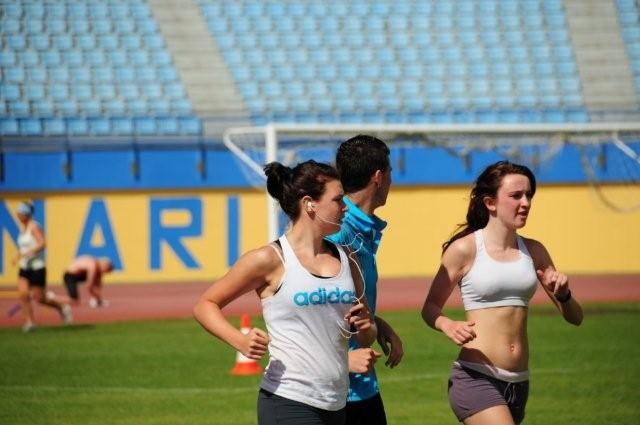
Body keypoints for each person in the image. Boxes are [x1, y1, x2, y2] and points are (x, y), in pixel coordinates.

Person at [194, 160, 377, 425]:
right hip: (287, 400)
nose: (345, 207)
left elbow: (367, 336)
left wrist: (366, 327)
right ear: (309, 204)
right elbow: (205, 304)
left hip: (336, 403)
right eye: (338, 199)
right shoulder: (269, 259)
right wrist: (240, 341)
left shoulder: (348, 257)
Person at [421, 161, 584, 425]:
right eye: (516, 195)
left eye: (528, 195)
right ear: (490, 202)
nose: (526, 203)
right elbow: (429, 308)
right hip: (475, 377)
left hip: (519, 383)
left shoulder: (534, 251)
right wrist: (447, 324)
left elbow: (576, 318)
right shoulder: (464, 249)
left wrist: (564, 295)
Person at [326, 135, 404, 425]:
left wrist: (377, 323)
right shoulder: (338, 231)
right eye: (391, 172)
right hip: (335, 391)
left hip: (362, 387)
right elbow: (310, 307)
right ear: (378, 177)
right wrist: (344, 362)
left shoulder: (360, 227)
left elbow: (345, 301)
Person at [12, 201, 73, 332]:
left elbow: (42, 243)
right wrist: (18, 256)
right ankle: (30, 322)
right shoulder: (22, 229)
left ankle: (62, 307)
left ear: (26, 214)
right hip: (25, 267)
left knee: (40, 298)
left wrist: (29, 253)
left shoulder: (34, 227)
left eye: (20, 213)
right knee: (23, 294)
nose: (18, 215)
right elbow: (23, 247)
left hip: (37, 267)